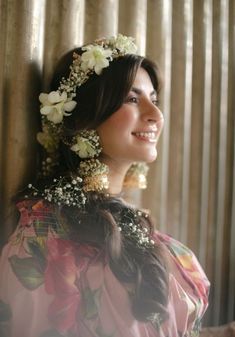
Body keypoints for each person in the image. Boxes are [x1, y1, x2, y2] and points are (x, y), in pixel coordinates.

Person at [0, 34, 210, 337]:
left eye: (155, 99)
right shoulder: (41, 232)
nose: (156, 115)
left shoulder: (128, 221)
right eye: (133, 99)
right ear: (88, 116)